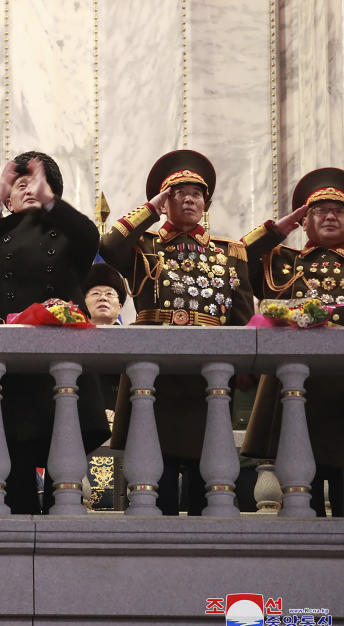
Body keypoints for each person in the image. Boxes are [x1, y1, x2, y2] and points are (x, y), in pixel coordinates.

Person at [100, 149, 254, 515]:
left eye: (196, 193)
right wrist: (150, 208)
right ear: (165, 201)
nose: (188, 198)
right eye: (177, 193)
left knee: (209, 476)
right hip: (156, 373)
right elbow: (107, 245)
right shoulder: (143, 248)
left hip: (208, 375)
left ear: (206, 203)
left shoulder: (230, 253)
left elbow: (243, 319)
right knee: (155, 476)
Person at [0, 152, 110, 514]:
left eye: (35, 184)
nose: (27, 190)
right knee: (10, 465)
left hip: (57, 362)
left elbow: (90, 235)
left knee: (64, 469)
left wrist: (52, 204)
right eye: (19, 185)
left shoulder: (69, 234)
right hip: (8, 364)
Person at [240, 167, 344, 516]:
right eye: (318, 210)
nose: (330, 215)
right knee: (301, 500)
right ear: (304, 219)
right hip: (295, 388)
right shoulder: (283, 261)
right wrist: (279, 228)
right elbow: (237, 260)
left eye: (339, 210)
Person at [82, 262, 126, 326]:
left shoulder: (134, 335)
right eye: (96, 293)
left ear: (119, 307)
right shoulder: (69, 334)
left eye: (109, 293)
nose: (103, 298)